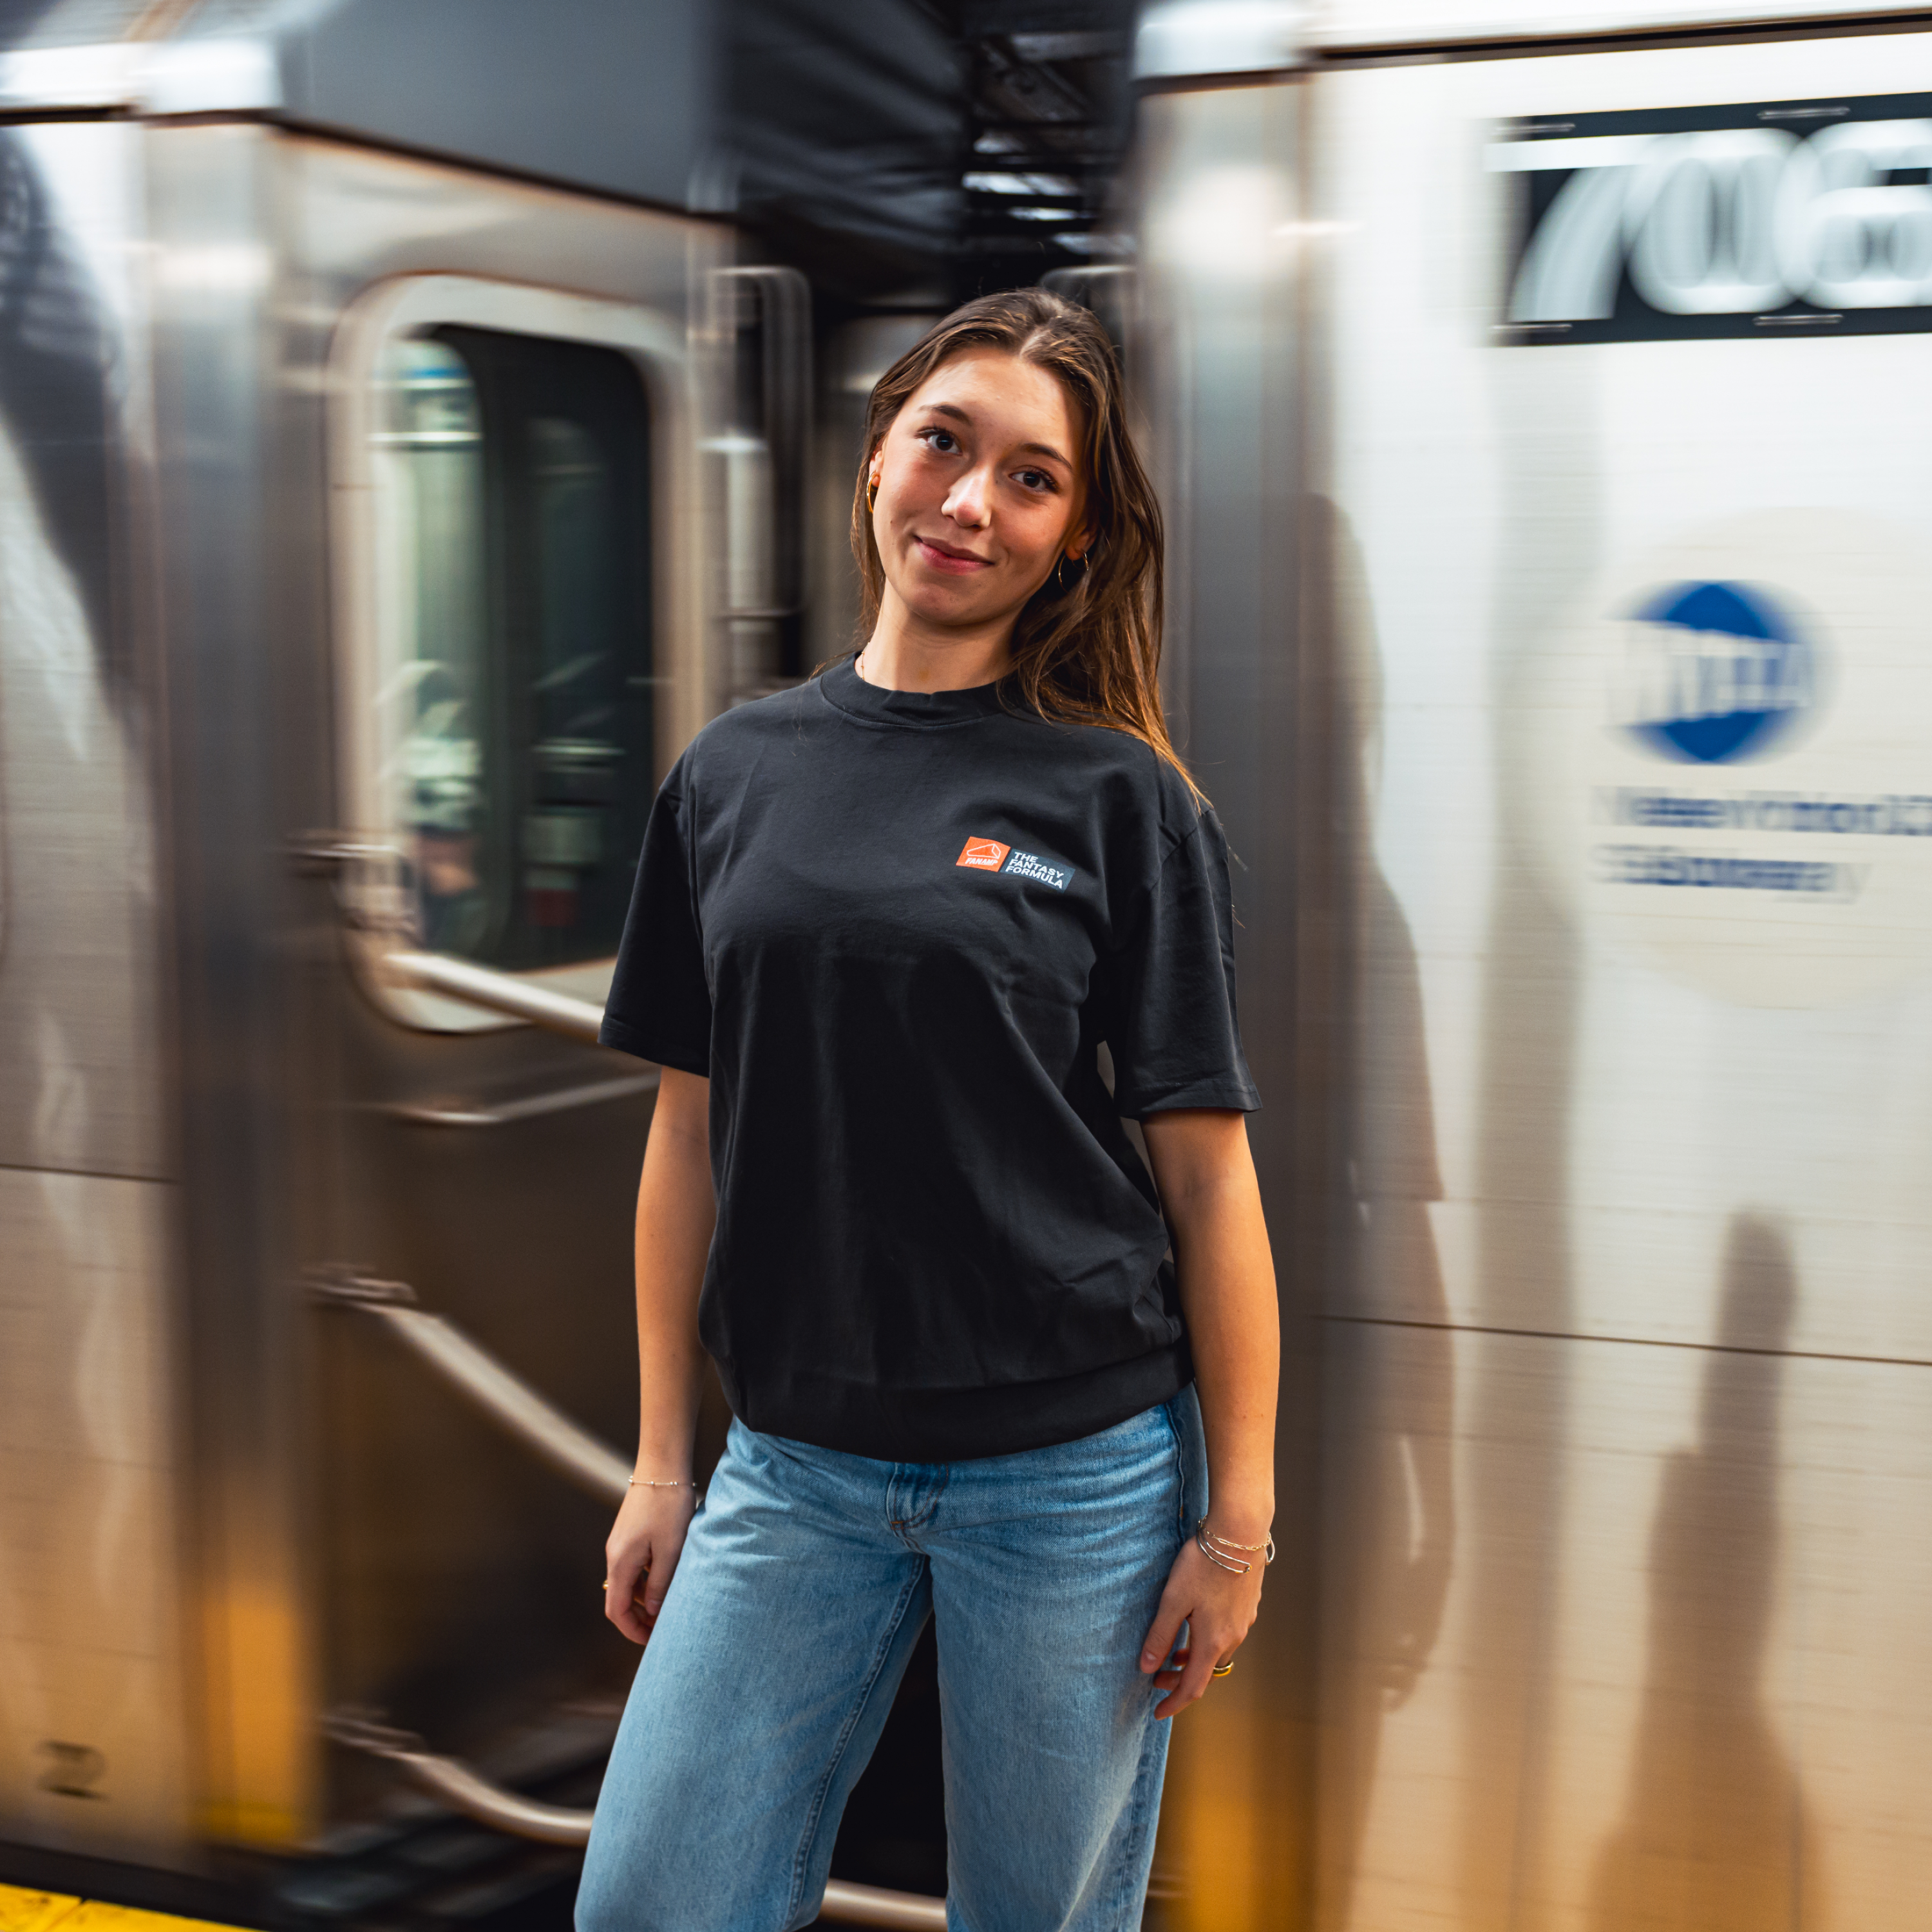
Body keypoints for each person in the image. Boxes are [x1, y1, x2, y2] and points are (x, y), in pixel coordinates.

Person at [575, 288, 1279, 1932]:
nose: (971, 502)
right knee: (654, 1903)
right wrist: (663, 1462)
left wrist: (1234, 1524)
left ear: (1080, 536)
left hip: (1075, 1469)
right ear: (878, 454)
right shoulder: (733, 774)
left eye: (1033, 478)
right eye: (944, 444)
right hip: (796, 1463)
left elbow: (1206, 1177)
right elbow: (687, 1138)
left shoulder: (1123, 800)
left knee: (1037, 1918)